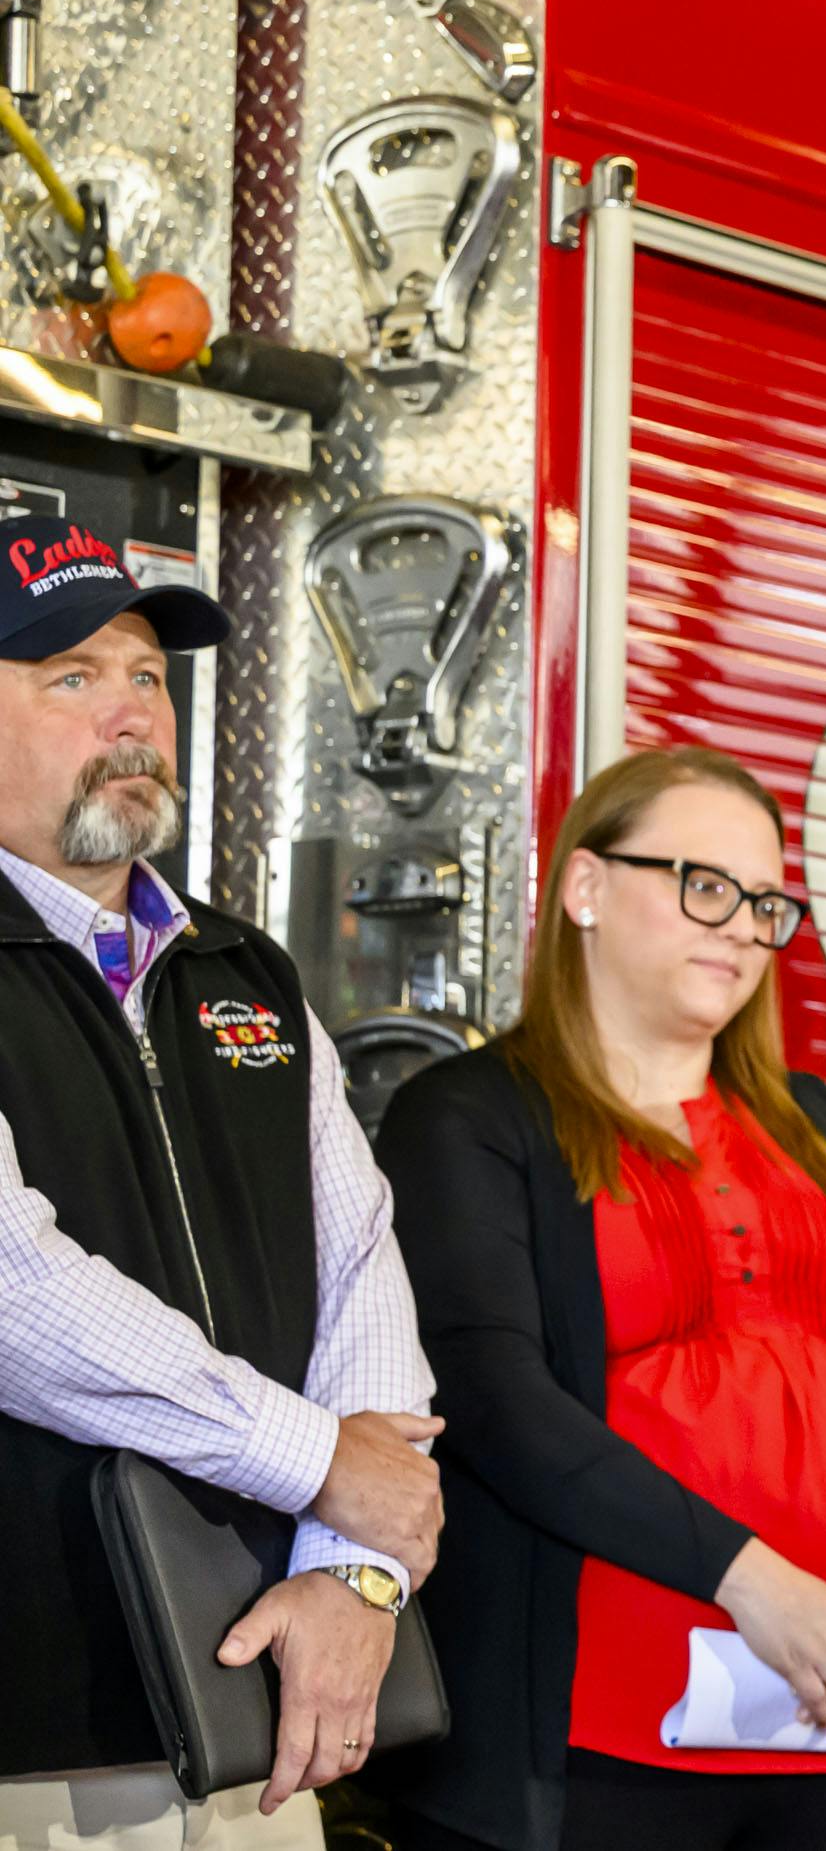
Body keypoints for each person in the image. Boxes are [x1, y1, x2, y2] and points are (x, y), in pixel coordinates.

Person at [373, 745, 826, 1851]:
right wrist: (752, 1580)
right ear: (586, 885)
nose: (743, 927)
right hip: (597, 1739)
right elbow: (496, 1399)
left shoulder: (824, 1126)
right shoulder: (469, 1114)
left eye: (766, 903)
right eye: (706, 885)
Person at [0, 515, 442, 1848]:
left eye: (147, 672)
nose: (133, 711)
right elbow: (17, 1295)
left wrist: (354, 1578)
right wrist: (322, 1462)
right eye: (72, 675)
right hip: (32, 1735)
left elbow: (358, 1260)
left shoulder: (242, 970)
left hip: (260, 1703)